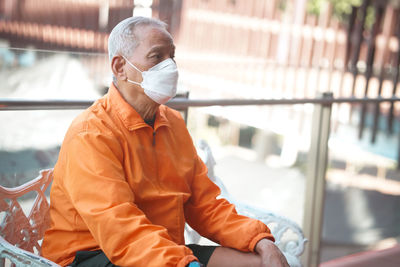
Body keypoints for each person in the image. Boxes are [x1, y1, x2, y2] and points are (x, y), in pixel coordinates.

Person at [42, 16, 289, 267]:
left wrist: (260, 241)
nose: (170, 66)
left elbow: (205, 205)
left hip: (163, 252)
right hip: (92, 255)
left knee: (265, 263)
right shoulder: (91, 134)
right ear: (119, 67)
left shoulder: (173, 123)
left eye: (172, 56)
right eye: (156, 56)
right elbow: (120, 228)